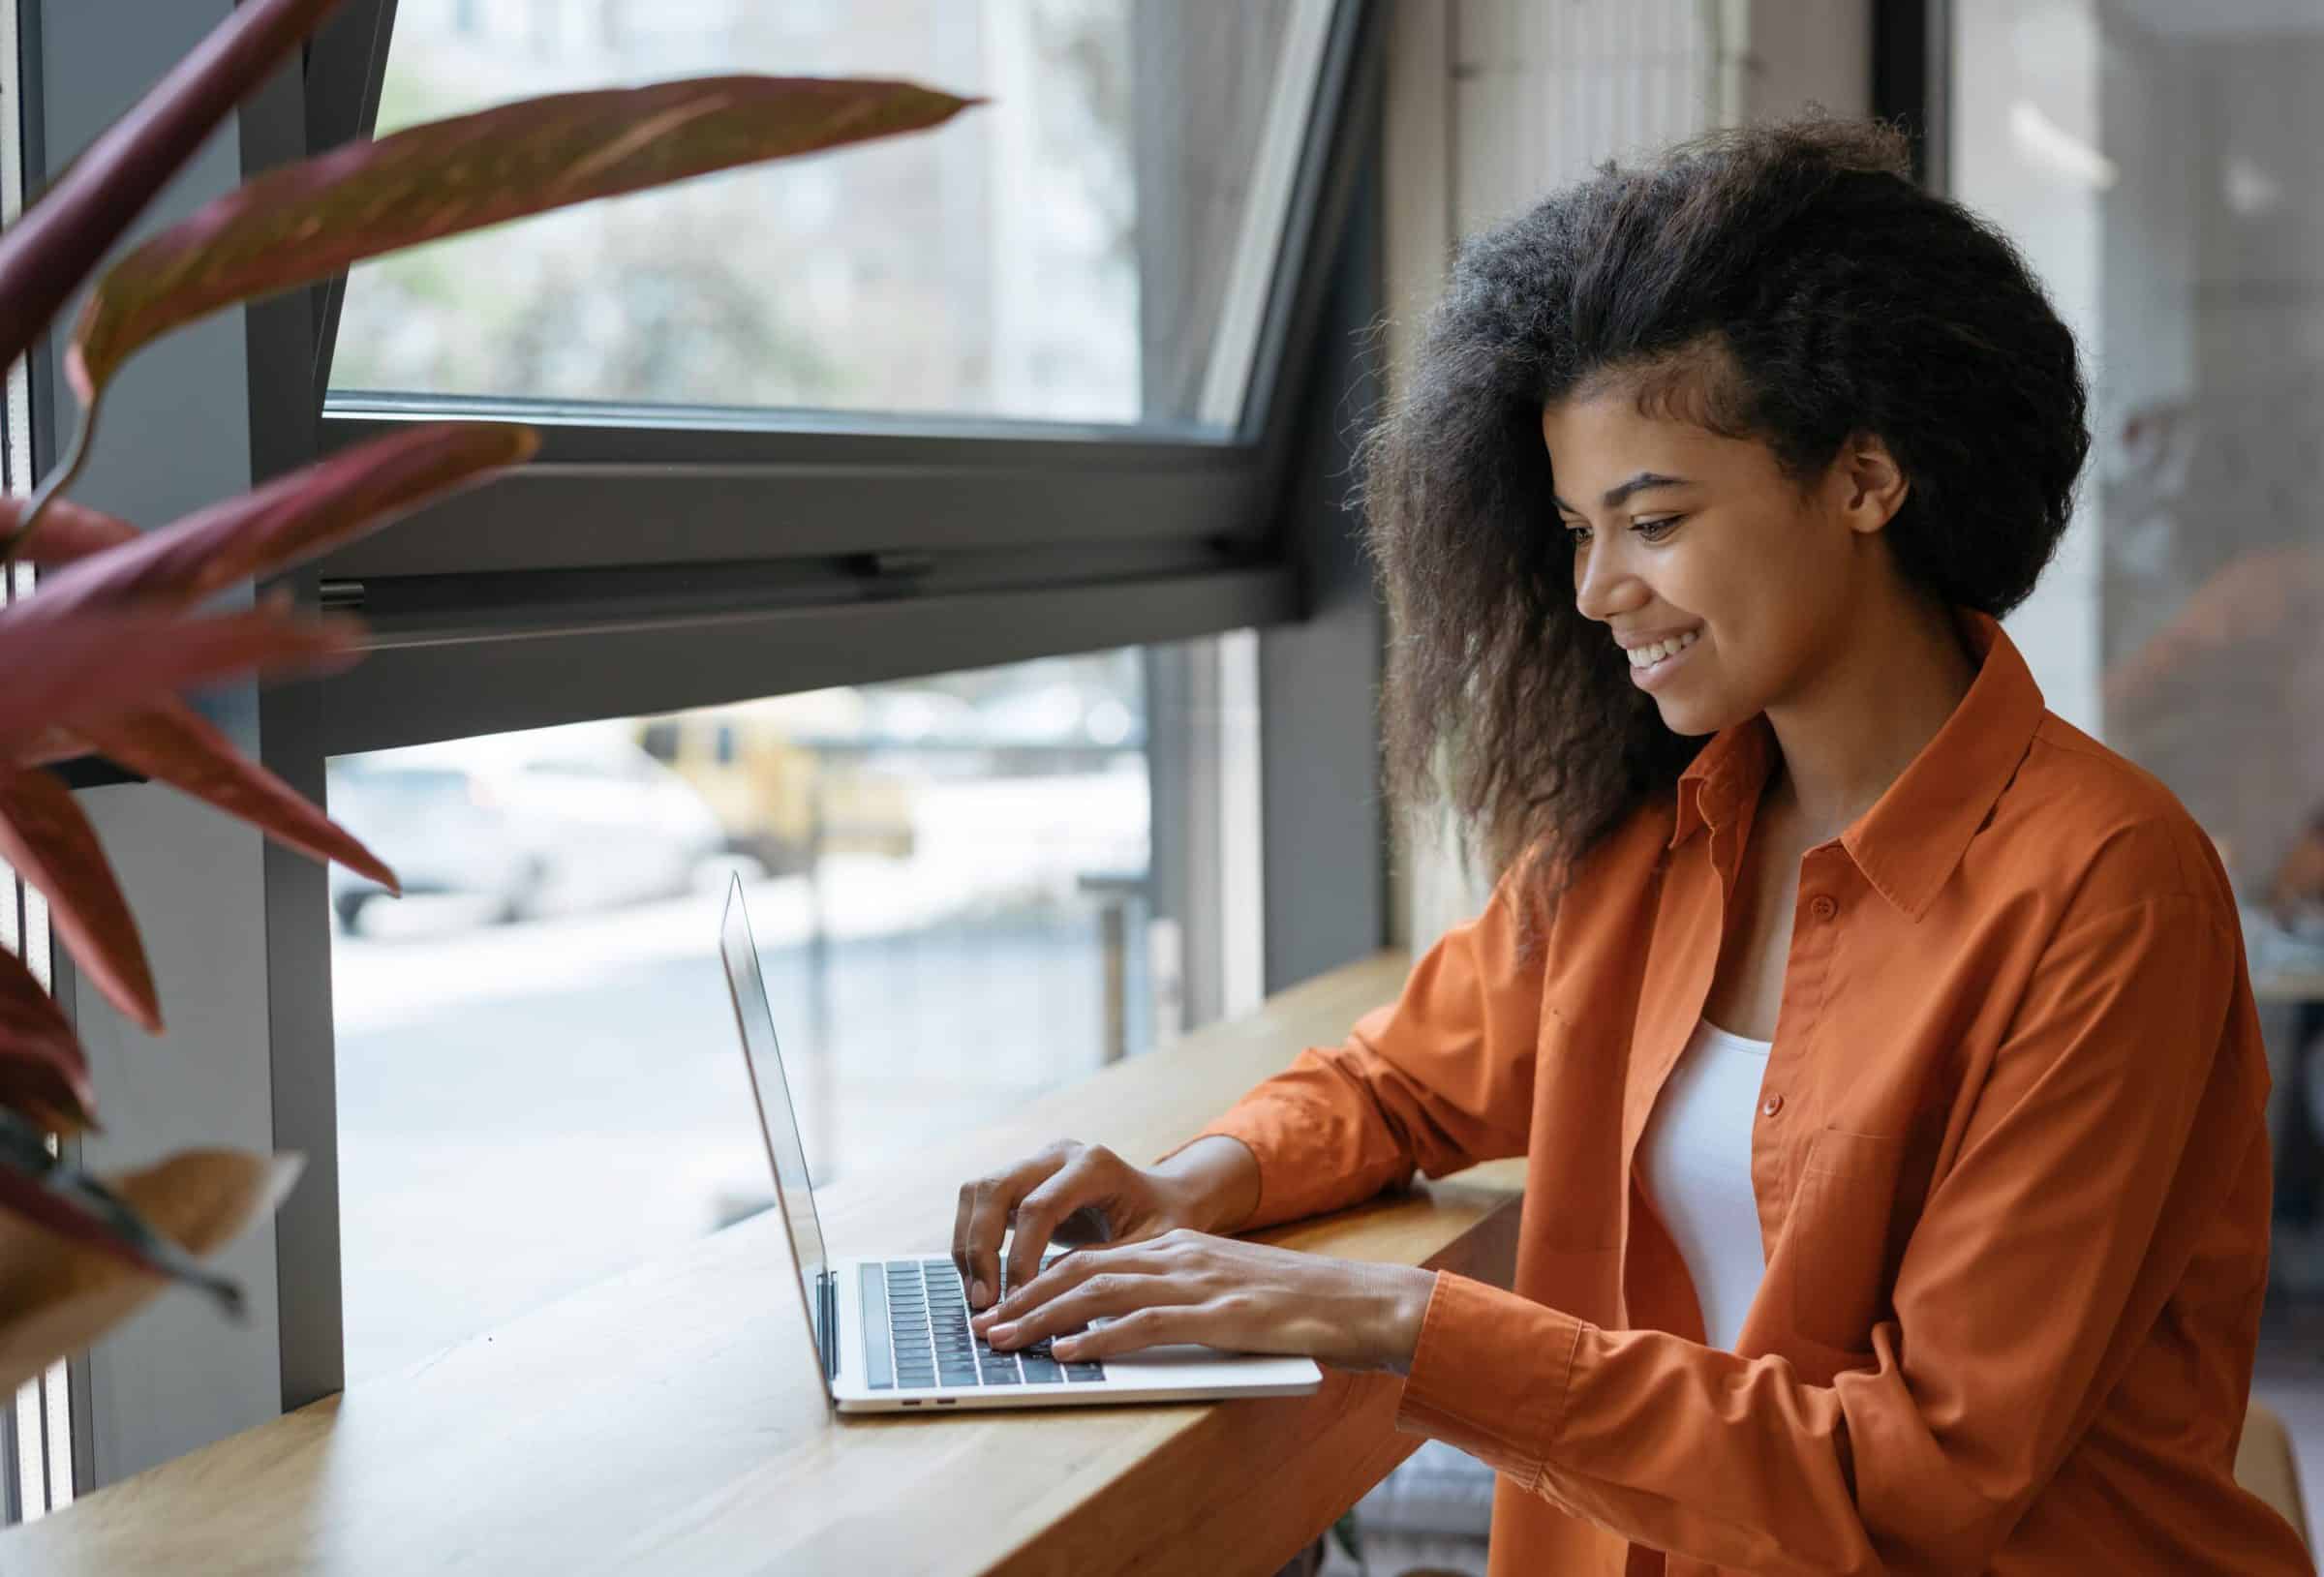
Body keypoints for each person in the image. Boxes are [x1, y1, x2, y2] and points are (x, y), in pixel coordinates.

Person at [949, 118, 2313, 1575]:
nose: (1598, 590)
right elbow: (1405, 1078)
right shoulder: (1652, 838)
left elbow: (1918, 1479)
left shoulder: (2109, 889)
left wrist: (1378, 1317)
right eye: (1576, 529)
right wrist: (1192, 1183)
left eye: (1651, 519)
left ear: (1866, 480)